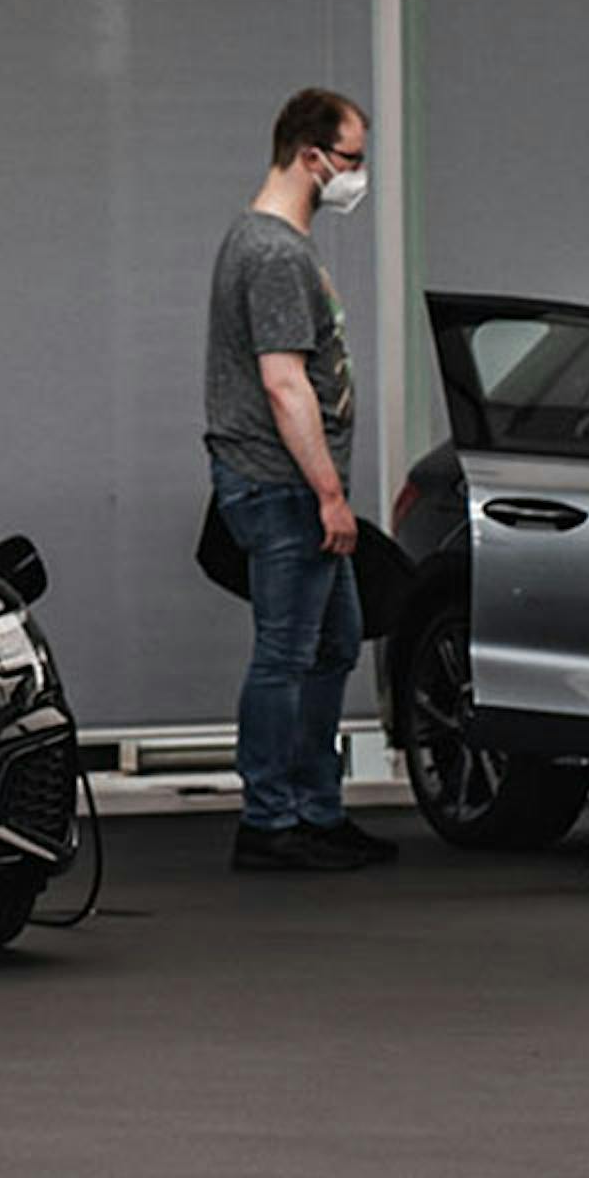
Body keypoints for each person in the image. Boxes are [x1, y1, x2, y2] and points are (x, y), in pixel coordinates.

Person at [204, 88, 394, 873]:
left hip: (288, 485)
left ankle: (316, 808)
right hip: (283, 487)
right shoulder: (276, 254)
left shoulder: (271, 242)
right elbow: (285, 385)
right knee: (285, 654)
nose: (359, 175)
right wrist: (329, 495)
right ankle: (270, 821)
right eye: (352, 159)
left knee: (335, 641)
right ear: (312, 156)